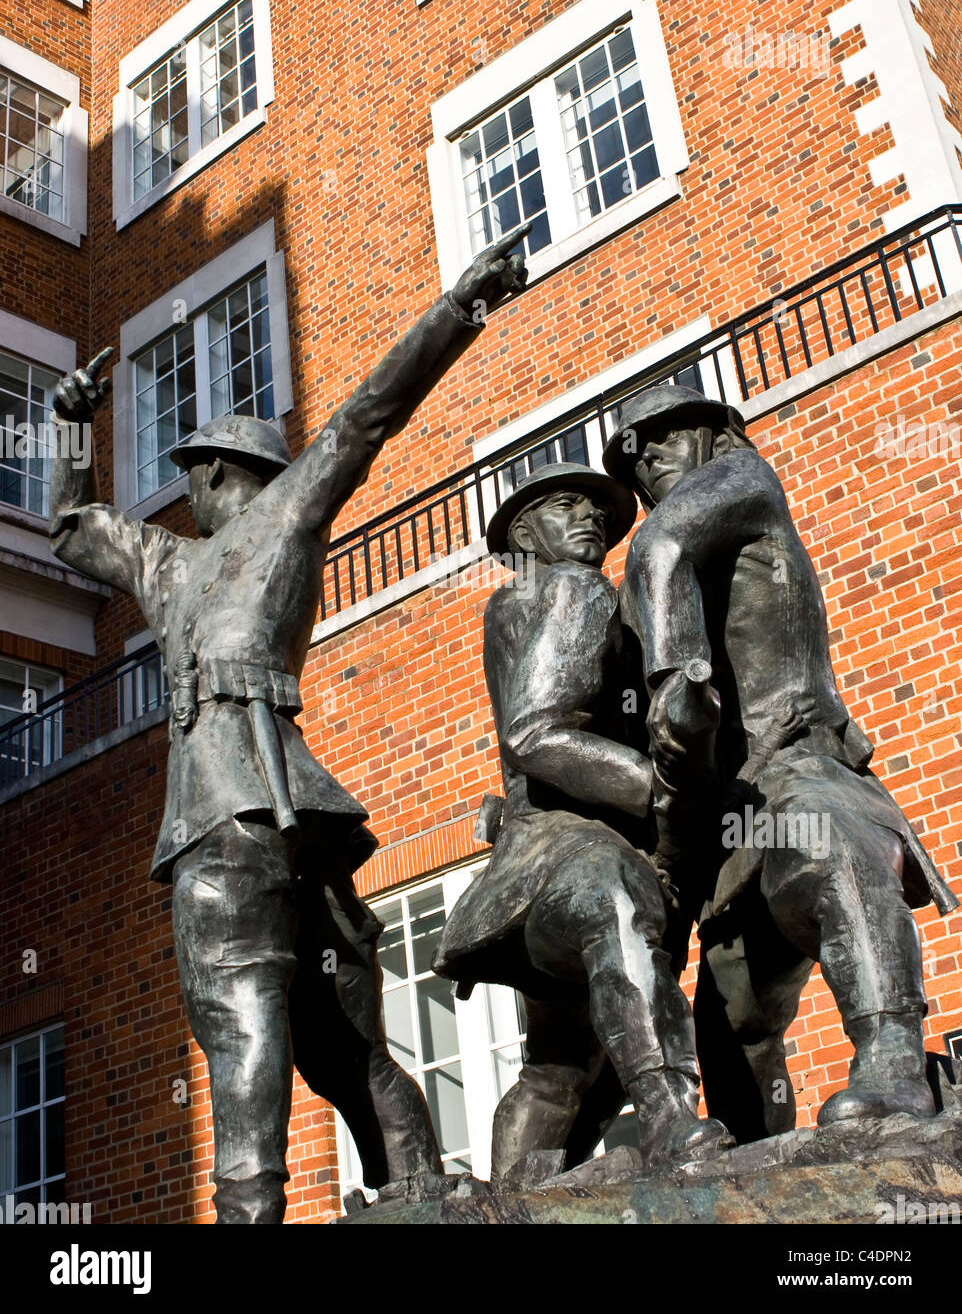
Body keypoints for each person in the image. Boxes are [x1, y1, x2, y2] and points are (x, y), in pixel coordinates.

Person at [48, 231, 529, 1222]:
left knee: (239, 1016)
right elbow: (71, 527)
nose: (185, 490)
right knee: (341, 1036)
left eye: (196, 473)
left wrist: (458, 307)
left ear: (231, 473)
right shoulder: (168, 564)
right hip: (283, 818)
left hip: (230, 817)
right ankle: (419, 1190)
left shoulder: (278, 518)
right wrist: (67, 426)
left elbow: (363, 417)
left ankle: (248, 1213)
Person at [603, 383, 958, 1141]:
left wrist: (673, 682)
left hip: (798, 763)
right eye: (638, 456)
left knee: (826, 854)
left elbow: (660, 543)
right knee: (734, 1009)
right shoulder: (660, 562)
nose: (651, 461)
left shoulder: (744, 479)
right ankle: (748, 1164)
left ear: (711, 434)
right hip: (733, 808)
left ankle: (894, 1061)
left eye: (666, 437)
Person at [432, 462, 732, 1175]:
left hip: (535, 864)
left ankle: (509, 1198)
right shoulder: (573, 588)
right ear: (523, 533)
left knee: (558, 1065)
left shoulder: (518, 601)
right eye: (565, 506)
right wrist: (657, 789)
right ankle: (667, 1116)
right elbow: (535, 732)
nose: (590, 517)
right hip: (569, 847)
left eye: (595, 508)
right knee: (617, 905)